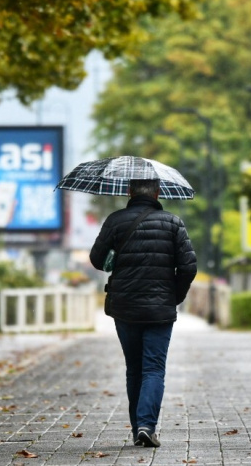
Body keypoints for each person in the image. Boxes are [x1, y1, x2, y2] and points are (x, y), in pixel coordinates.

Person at [89, 178, 197, 448]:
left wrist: (116, 254)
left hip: (124, 307)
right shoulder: (173, 223)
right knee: (154, 368)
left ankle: (138, 427)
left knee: (134, 368)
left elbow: (96, 260)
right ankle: (147, 426)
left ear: (129, 192)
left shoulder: (115, 220)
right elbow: (188, 267)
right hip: (160, 309)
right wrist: (174, 296)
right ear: (158, 193)